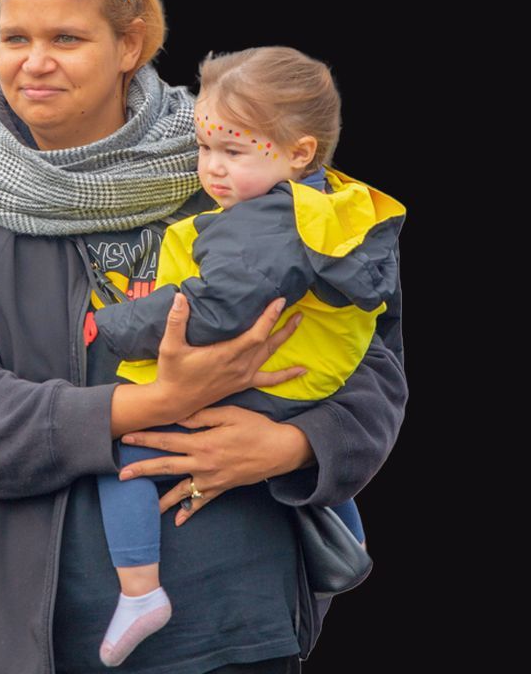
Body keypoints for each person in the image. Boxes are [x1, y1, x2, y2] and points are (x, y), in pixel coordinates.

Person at [0, 0, 407, 674]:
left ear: (128, 47)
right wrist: (146, 407)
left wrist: (295, 446)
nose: (31, 64)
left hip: (241, 623)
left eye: (65, 39)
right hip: (36, 634)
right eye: (13, 38)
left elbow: (372, 357)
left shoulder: (230, 150)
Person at [90, 46, 405, 667]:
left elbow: (209, 310)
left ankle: (140, 591)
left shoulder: (260, 225)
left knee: (121, 447)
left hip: (265, 379)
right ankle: (346, 528)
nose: (212, 169)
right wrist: (308, 446)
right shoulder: (336, 211)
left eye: (232, 152)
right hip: (314, 378)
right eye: (204, 149)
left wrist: (116, 325)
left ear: (301, 153)